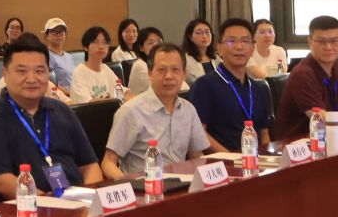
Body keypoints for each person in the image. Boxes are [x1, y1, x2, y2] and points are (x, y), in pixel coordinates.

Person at [0, 34, 101, 200]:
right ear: (5, 74)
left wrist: (89, 199)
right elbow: (1, 181)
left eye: (39, 71)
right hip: (25, 208)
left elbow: (90, 166)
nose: (32, 79)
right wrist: (53, 204)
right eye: (22, 71)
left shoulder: (62, 110)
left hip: (77, 203)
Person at [102, 43, 217, 176]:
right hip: (145, 183)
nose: (169, 76)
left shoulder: (188, 109)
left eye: (175, 70)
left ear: (184, 74)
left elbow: (196, 155)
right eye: (162, 70)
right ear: (150, 73)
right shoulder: (131, 111)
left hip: (182, 183)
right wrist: (130, 184)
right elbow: (108, 163)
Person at [189, 17, 275, 151]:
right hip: (224, 160)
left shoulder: (258, 88)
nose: (239, 47)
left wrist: (266, 157)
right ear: (219, 48)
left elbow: (264, 134)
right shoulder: (205, 85)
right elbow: (198, 132)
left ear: (252, 48)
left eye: (245, 41)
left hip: (256, 159)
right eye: (231, 41)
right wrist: (231, 157)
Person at [67, 26, 122, 102]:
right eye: (96, 42)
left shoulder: (105, 68)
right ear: (85, 47)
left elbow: (122, 91)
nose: (101, 46)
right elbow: (88, 103)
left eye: (105, 42)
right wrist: (115, 100)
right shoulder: (79, 72)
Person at [40, 18, 79, 91]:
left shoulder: (69, 56)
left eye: (61, 31)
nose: (58, 34)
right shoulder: (45, 55)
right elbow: (48, 82)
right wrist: (68, 93)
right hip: (57, 95)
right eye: (54, 31)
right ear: (47, 35)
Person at [181, 18, 217, 82]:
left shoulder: (217, 58)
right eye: (199, 33)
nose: (204, 36)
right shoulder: (185, 60)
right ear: (190, 37)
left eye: (207, 32)